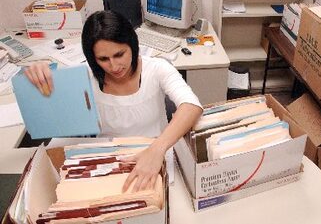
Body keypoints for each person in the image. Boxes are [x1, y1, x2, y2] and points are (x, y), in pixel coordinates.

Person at [24, 10, 203, 193]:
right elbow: (49, 106)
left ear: (132, 45)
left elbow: (191, 105)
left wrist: (157, 149)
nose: (114, 66)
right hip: (106, 158)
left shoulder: (157, 69)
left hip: (155, 151)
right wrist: (39, 74)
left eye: (119, 54)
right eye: (103, 59)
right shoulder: (85, 75)